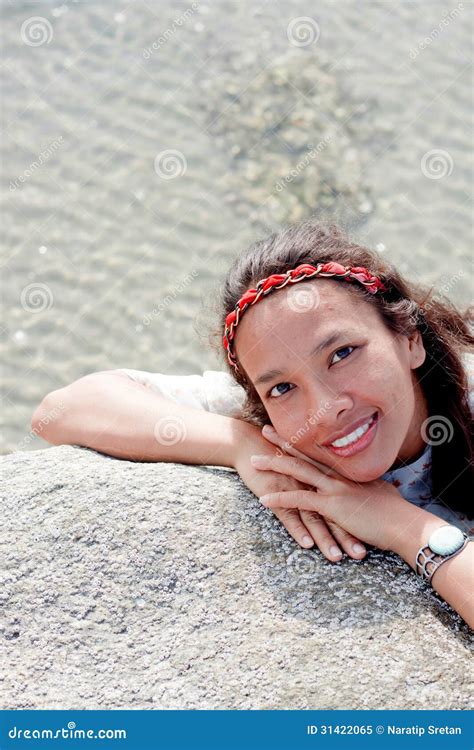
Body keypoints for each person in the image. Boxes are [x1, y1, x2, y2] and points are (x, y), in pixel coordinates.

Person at [32, 221, 474, 626]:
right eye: (281, 387)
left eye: (342, 354)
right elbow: (63, 409)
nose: (323, 409)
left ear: (409, 339)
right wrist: (243, 445)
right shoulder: (269, 427)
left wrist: (402, 527)